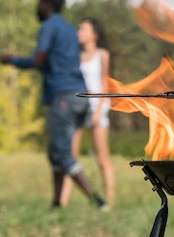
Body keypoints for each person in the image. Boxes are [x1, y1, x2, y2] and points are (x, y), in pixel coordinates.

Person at [0, 0, 108, 211]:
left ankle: (97, 200)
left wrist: (12, 60)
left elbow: (39, 59)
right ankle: (57, 203)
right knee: (55, 151)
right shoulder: (69, 30)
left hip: (64, 97)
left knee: (62, 153)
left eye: (39, 3)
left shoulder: (49, 26)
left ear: (47, 5)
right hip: (80, 97)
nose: (37, 8)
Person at [61, 18, 115, 206]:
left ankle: (110, 200)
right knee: (70, 157)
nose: (79, 32)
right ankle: (62, 201)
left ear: (94, 34)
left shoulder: (102, 55)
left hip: (97, 109)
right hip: (77, 108)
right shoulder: (75, 54)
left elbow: (105, 84)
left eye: (83, 29)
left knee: (102, 159)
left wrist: (98, 110)